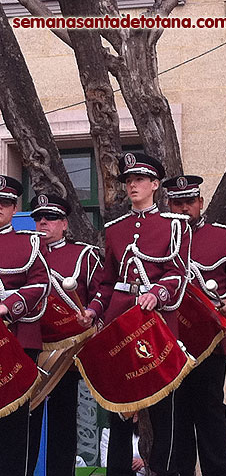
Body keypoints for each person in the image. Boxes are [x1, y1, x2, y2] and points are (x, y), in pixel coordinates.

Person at [85, 152, 191, 476]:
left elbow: (178, 272)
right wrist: (93, 309)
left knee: (162, 409)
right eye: (129, 180)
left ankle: (163, 470)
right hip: (121, 321)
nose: (132, 185)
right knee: (120, 406)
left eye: (139, 180)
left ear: (155, 185)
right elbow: (106, 280)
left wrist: (156, 293)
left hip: (156, 323)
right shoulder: (115, 229)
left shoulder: (174, 226)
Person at [163, 174, 226, 476]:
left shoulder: (223, 236)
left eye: (189, 202)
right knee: (175, 415)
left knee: (211, 411)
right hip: (169, 341)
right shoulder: (158, 238)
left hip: (211, 340)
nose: (183, 208)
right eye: (177, 203)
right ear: (168, 204)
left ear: (200, 203)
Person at [25, 194, 103, 476]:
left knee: (63, 424)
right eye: (38, 218)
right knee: (24, 424)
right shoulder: (26, 255)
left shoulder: (83, 254)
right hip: (29, 348)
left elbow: (100, 293)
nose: (42, 223)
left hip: (66, 353)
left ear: (64, 224)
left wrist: (91, 312)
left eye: (50, 218)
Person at [0, 175, 50, 476]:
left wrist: (7, 305)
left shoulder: (31, 242)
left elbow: (41, 284)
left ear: (14, 207)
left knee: (14, 422)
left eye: (5, 203)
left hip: (17, 339)